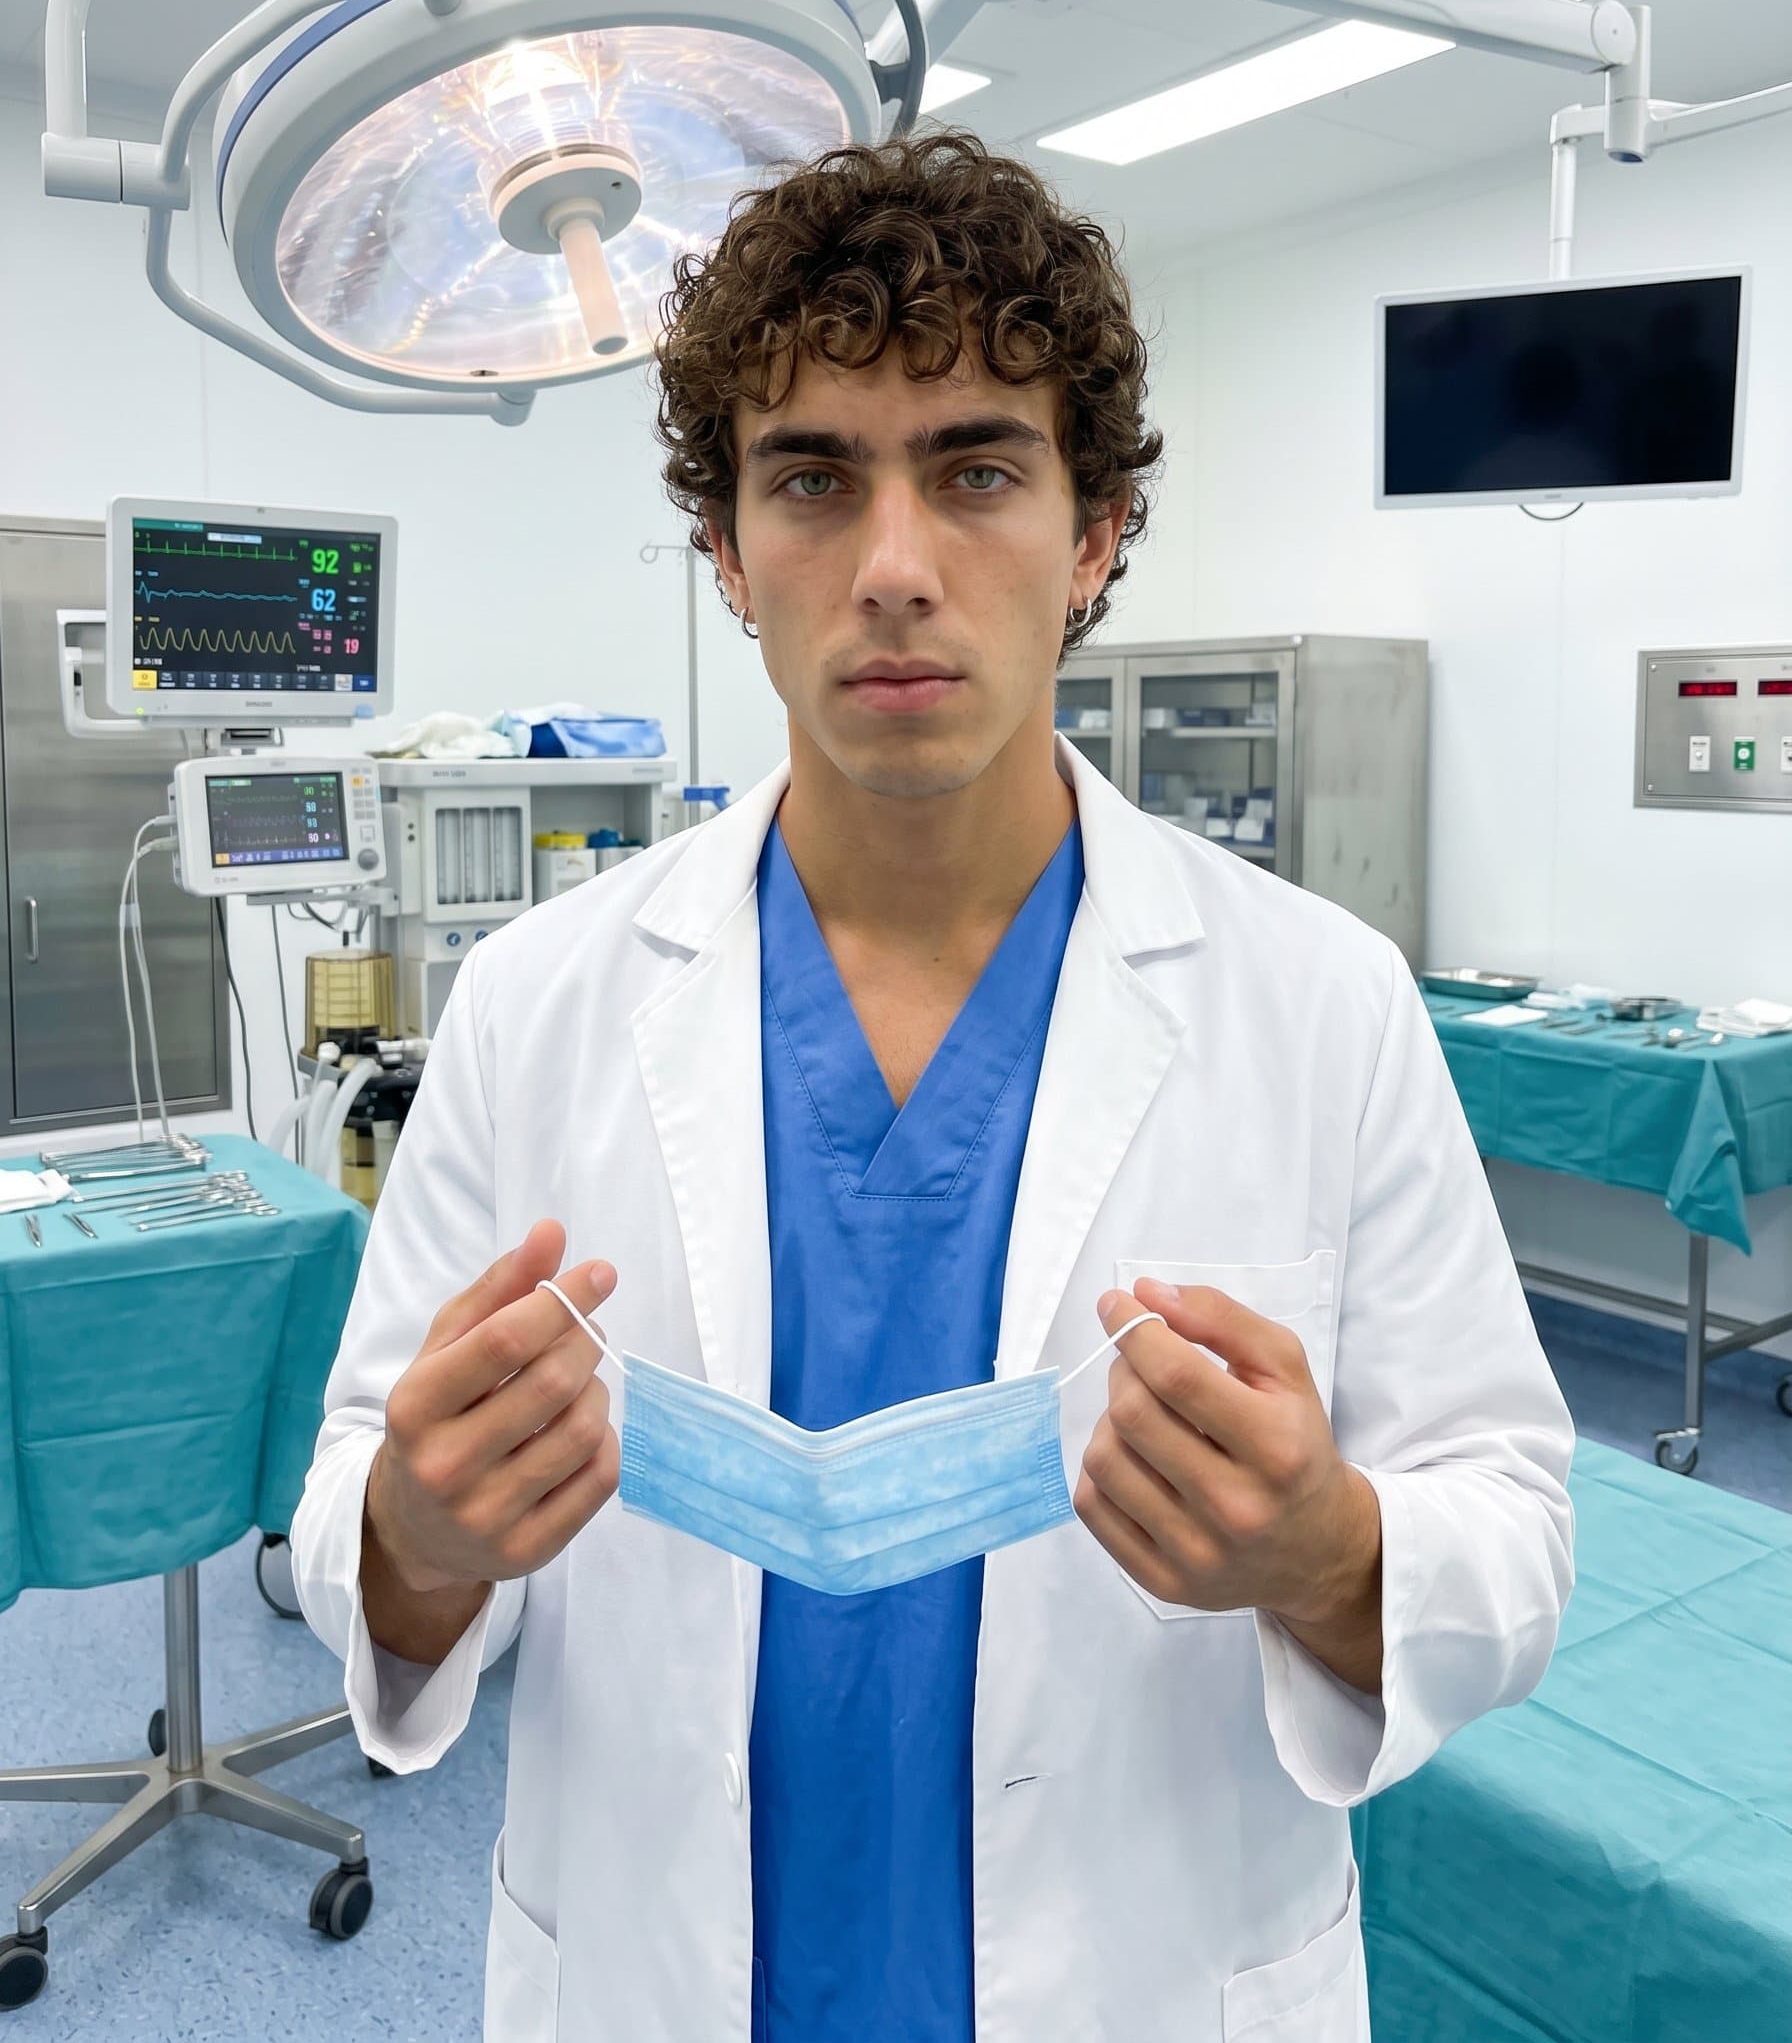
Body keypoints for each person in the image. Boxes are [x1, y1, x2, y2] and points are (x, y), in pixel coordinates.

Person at [291, 132, 1574, 2043]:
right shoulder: (540, 1003)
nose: (894, 569)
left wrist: (1331, 1550)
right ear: (727, 550)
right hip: (652, 1973)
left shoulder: (1323, 1003)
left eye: (978, 468)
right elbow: (359, 1504)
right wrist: (419, 1537)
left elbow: (1511, 1514)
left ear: (1095, 535)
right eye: (813, 479)